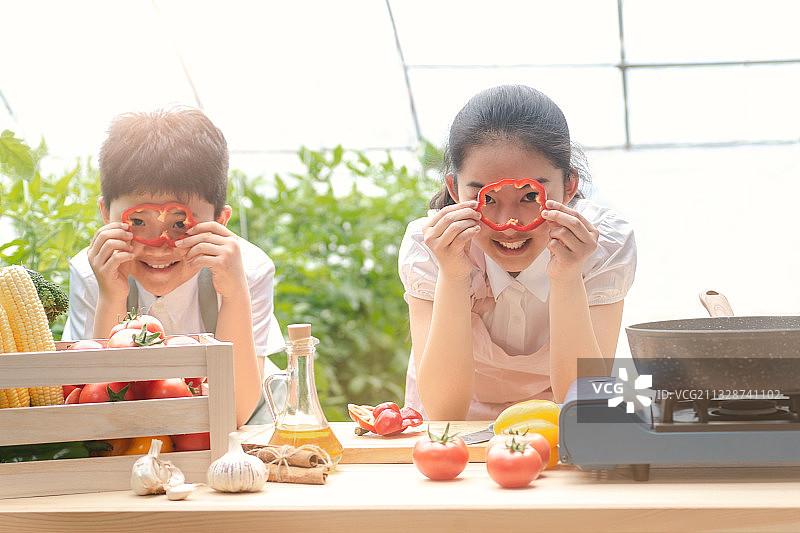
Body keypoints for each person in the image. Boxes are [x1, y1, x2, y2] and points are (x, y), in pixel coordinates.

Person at [398, 85, 636, 420]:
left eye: (529, 197)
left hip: (559, 428)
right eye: (487, 198)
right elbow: (443, 413)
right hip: (454, 437)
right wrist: (453, 276)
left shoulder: (602, 245)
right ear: (454, 191)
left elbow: (584, 405)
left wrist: (567, 277)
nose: (508, 225)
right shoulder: (431, 247)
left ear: (569, 187)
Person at [62, 107, 284, 426]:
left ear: (220, 222)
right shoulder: (92, 270)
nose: (160, 246)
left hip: (238, 429)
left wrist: (235, 294)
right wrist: (111, 296)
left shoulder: (247, 270)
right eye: (137, 221)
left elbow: (235, 412)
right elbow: (101, 410)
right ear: (106, 215)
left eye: (181, 224)